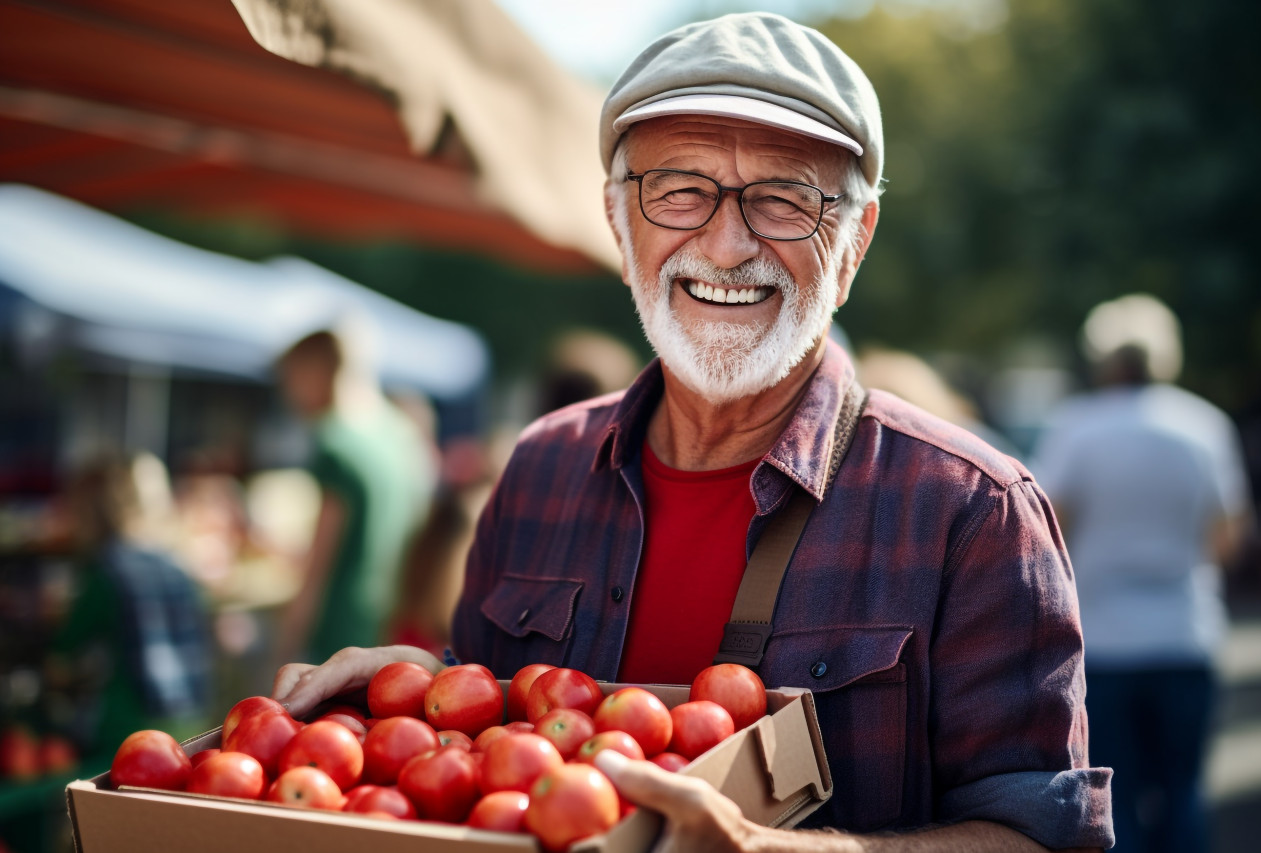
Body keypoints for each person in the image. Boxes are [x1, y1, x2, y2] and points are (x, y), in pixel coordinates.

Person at [274, 13, 1112, 851]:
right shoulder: (539, 470)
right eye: (679, 189)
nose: (725, 241)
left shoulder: (973, 511)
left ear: (854, 243)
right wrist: (417, 691)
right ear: (617, 219)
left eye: (785, 197)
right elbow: (497, 736)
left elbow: (1040, 835)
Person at [1032, 293, 1252, 853]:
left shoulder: (1077, 428)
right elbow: (1228, 537)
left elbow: (1046, 532)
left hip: (1103, 643)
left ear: (1102, 357)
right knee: (1183, 793)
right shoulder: (1204, 425)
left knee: (1115, 801)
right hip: (1186, 634)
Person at [273, 327, 431, 664]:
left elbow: (319, 565)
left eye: (291, 378)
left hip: (341, 629)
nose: (289, 393)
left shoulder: (336, 442)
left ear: (317, 372)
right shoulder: (400, 431)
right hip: (395, 621)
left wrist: (286, 645)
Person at [46, 451, 213, 766]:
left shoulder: (106, 573)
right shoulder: (176, 564)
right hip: (190, 716)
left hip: (130, 726)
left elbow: (63, 654)